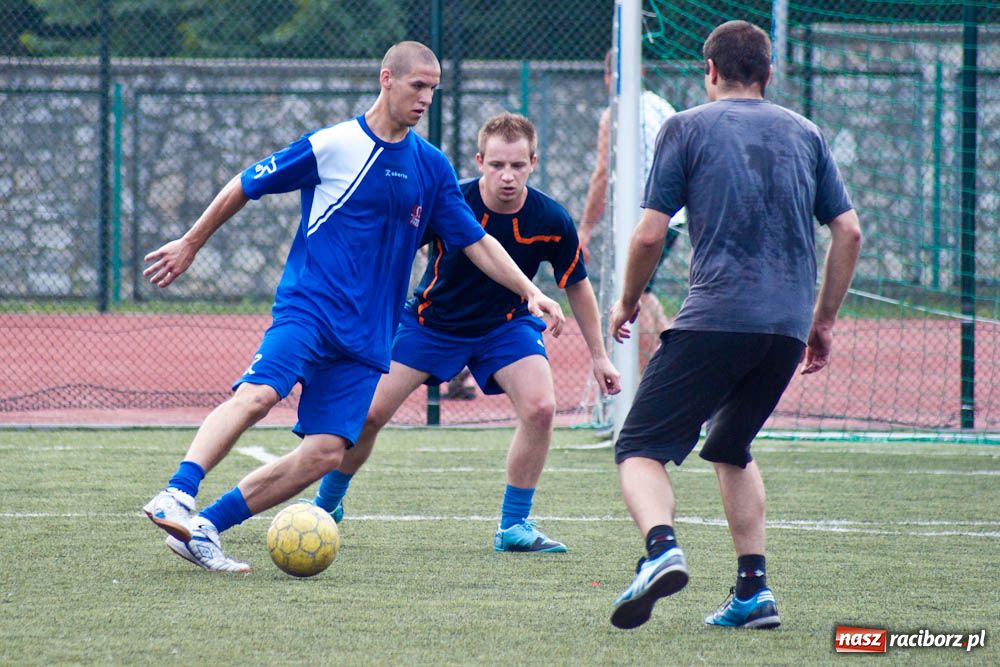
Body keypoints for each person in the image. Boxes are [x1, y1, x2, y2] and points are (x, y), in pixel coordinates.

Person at [141, 42, 565, 573]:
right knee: (259, 395)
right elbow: (245, 184)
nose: (426, 98)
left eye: (434, 89)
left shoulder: (430, 167)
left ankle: (203, 528)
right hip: (311, 310)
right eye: (418, 85)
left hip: (367, 338)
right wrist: (190, 243)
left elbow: (476, 242)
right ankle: (178, 493)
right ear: (387, 79)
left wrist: (530, 290)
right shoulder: (335, 144)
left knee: (323, 455)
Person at [606, 21, 861, 630]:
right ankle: (754, 593)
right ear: (768, 75)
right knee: (729, 446)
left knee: (638, 447)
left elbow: (648, 232)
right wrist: (822, 320)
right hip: (786, 329)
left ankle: (661, 551)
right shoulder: (807, 133)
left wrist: (627, 301)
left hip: (717, 317)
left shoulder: (686, 127)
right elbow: (848, 231)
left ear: (710, 70)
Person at [312, 112, 621, 552]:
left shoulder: (551, 219)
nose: (507, 176)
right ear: (479, 161)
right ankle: (325, 506)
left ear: (534, 162)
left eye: (517, 165)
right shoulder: (447, 203)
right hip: (429, 323)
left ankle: (513, 527)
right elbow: (390, 253)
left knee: (541, 408)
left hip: (506, 327)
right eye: (497, 165)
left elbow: (577, 286)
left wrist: (600, 356)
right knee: (368, 415)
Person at [579, 48, 685, 368]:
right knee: (644, 293)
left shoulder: (615, 115)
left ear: (608, 77)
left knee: (632, 296)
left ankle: (658, 374)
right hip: (676, 216)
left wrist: (585, 227)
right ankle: (676, 358)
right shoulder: (662, 107)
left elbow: (601, 176)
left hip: (650, 219)